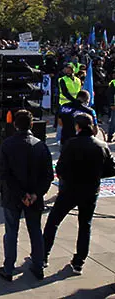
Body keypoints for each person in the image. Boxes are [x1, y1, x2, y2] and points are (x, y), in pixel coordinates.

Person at [43, 113, 115, 275]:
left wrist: (65, 178)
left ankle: (43, 255)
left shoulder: (71, 144)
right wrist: (96, 175)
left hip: (70, 189)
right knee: (85, 225)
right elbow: (111, 169)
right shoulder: (101, 145)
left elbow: (60, 168)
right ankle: (79, 262)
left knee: (53, 221)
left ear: (78, 127)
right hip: (90, 190)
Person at [0, 110, 54, 281]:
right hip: (34, 196)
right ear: (31, 124)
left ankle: (9, 268)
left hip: (13, 196)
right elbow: (48, 175)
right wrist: (35, 194)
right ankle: (38, 266)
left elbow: (4, 174)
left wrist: (20, 194)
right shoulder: (41, 146)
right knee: (35, 231)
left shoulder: (7, 144)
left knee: (11, 232)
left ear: (14, 125)